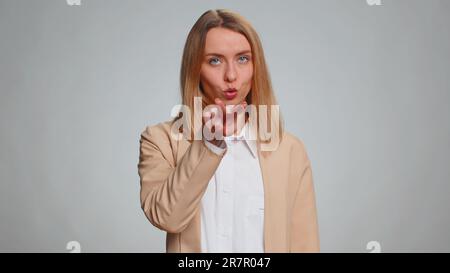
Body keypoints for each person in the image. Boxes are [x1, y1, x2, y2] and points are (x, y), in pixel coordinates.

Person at [137, 9, 319, 253]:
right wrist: (208, 145)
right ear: (195, 69)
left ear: (257, 67)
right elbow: (167, 217)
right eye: (215, 60)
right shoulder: (160, 140)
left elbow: (304, 245)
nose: (231, 75)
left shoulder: (290, 150)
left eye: (243, 58)